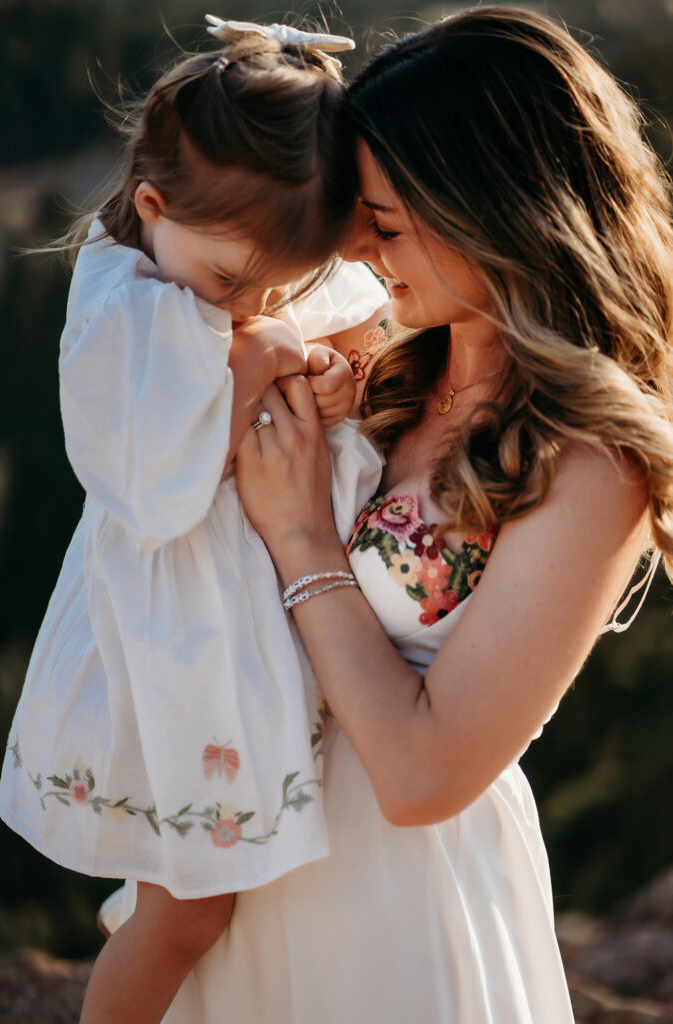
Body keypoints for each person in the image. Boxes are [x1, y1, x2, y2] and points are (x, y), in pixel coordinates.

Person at [147, 8, 673, 1023]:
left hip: (394, 912)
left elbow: (425, 775)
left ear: (494, 210)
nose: (354, 241)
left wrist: (300, 534)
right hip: (243, 865)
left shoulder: (589, 462)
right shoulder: (376, 375)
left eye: (384, 221)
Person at [0, 17, 387, 1024]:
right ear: (151, 205)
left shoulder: (231, 249)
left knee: (221, 898)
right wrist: (257, 360)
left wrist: (331, 370)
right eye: (230, 284)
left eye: (277, 286)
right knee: (186, 909)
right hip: (178, 633)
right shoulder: (122, 306)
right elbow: (157, 483)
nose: (254, 301)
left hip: (250, 608)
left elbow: (344, 318)